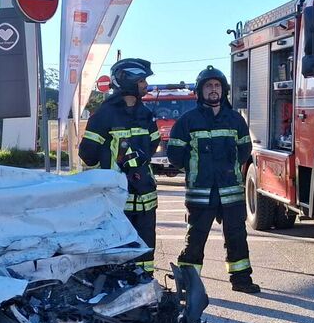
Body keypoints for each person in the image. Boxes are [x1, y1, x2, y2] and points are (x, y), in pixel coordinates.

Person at [168, 66, 261, 294]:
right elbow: (174, 155)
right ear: (200, 91)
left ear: (223, 90)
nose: (213, 90)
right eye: (208, 86)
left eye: (217, 85)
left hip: (231, 191)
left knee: (237, 237)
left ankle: (241, 280)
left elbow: (245, 149)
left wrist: (229, 170)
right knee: (196, 239)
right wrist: (195, 171)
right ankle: (188, 286)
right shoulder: (187, 121)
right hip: (201, 192)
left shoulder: (235, 120)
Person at [78, 58, 160, 274]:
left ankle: (145, 286)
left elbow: (153, 146)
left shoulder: (146, 114)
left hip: (145, 197)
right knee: (117, 248)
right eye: (142, 80)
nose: (145, 85)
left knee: (145, 248)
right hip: (116, 200)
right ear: (128, 80)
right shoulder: (103, 115)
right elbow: (87, 154)